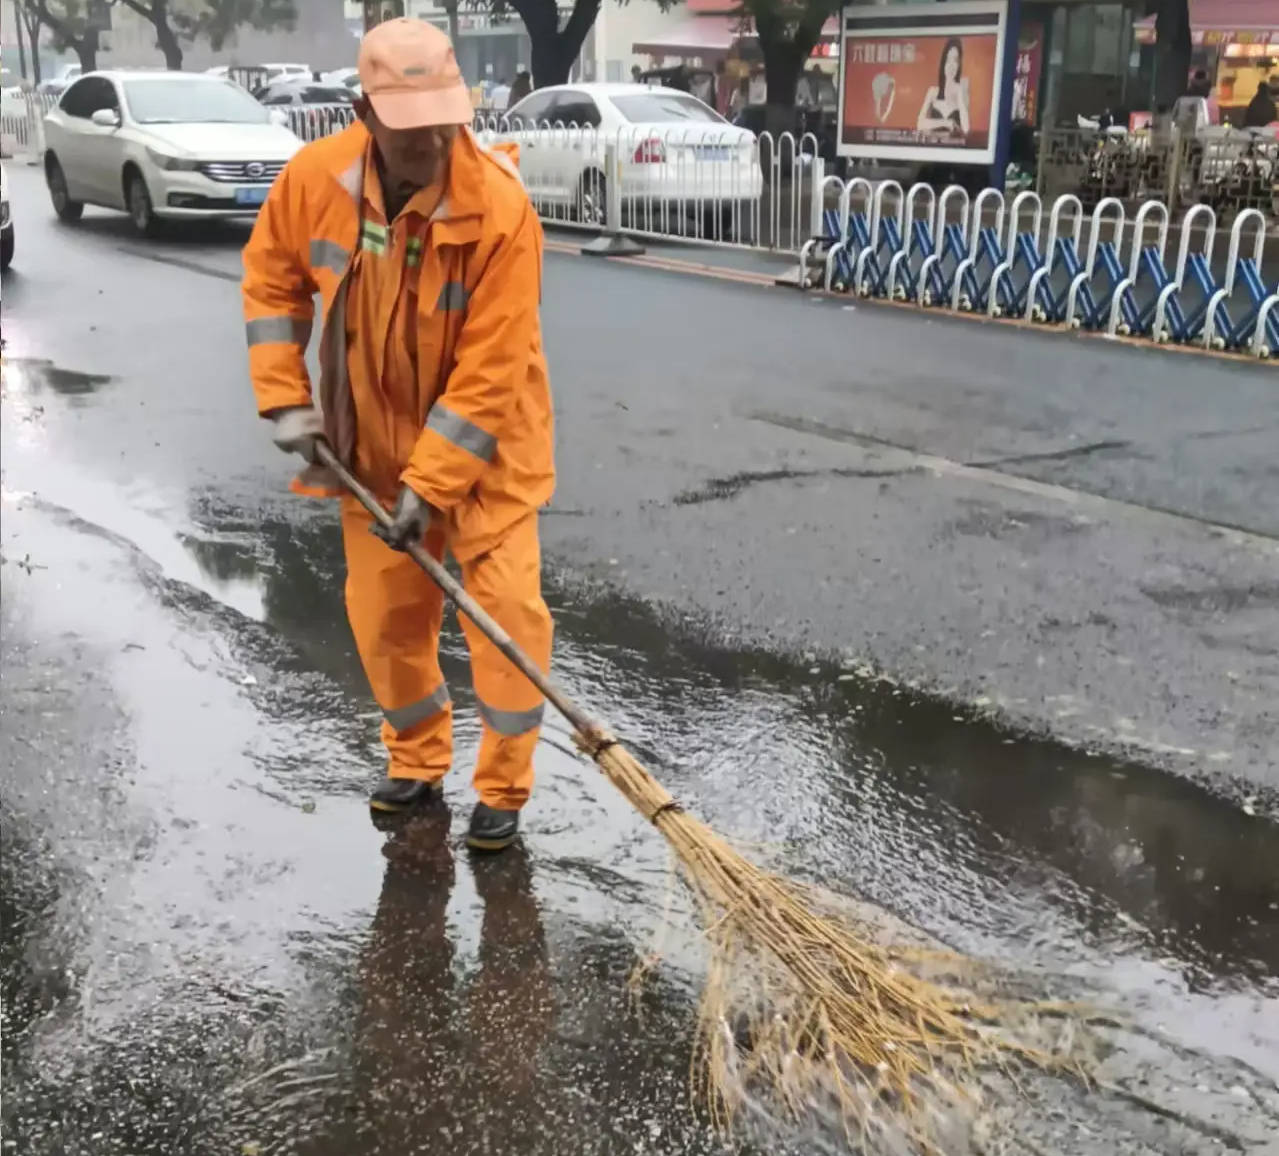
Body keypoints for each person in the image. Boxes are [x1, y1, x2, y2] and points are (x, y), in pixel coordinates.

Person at [241, 17, 555, 853]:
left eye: (445, 125)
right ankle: (416, 762)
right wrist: (284, 399)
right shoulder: (315, 182)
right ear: (364, 112)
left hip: (486, 455)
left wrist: (432, 487)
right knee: (386, 622)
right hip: (372, 455)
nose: (431, 146)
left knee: (508, 618)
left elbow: (491, 370)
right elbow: (272, 282)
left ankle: (502, 790)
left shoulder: (499, 208)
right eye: (411, 131)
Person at [916, 36, 970, 136]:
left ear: (959, 65)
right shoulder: (932, 91)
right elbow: (919, 124)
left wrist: (959, 93)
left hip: (955, 150)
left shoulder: (961, 92)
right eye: (948, 60)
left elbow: (966, 129)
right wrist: (945, 122)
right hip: (934, 148)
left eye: (955, 60)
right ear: (943, 63)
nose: (951, 65)